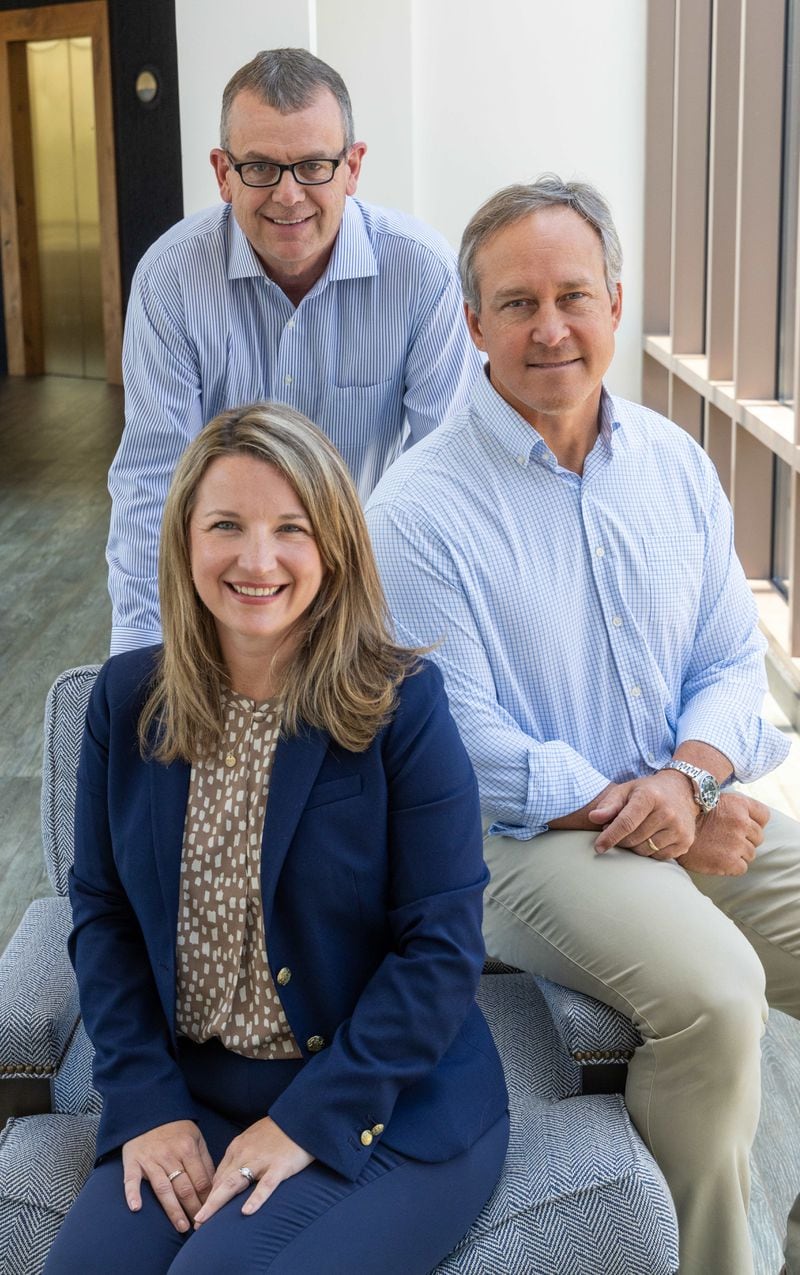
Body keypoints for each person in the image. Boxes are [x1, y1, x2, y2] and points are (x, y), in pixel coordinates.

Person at [365, 175, 800, 1275]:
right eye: (515, 303)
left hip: (671, 801)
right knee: (713, 998)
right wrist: (661, 808)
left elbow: (725, 663)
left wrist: (690, 780)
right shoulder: (413, 512)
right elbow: (455, 742)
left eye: (572, 295)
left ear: (613, 299)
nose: (548, 328)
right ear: (472, 325)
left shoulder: (673, 464)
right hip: (514, 846)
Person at [46, 403, 508, 1274]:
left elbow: (442, 948)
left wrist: (305, 1121)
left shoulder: (402, 706)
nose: (257, 559)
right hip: (194, 1092)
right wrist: (145, 1100)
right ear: (186, 539)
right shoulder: (124, 701)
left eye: (290, 528)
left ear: (333, 547)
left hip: (386, 1100)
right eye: (227, 525)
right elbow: (102, 914)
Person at [107, 46, 482, 655]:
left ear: (353, 167)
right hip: (228, 592)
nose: (287, 195)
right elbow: (154, 482)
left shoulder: (422, 271)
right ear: (222, 173)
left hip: (370, 587)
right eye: (259, 167)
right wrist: (144, 661)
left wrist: (418, 645)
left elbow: (447, 473)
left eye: (313, 165)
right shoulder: (170, 278)